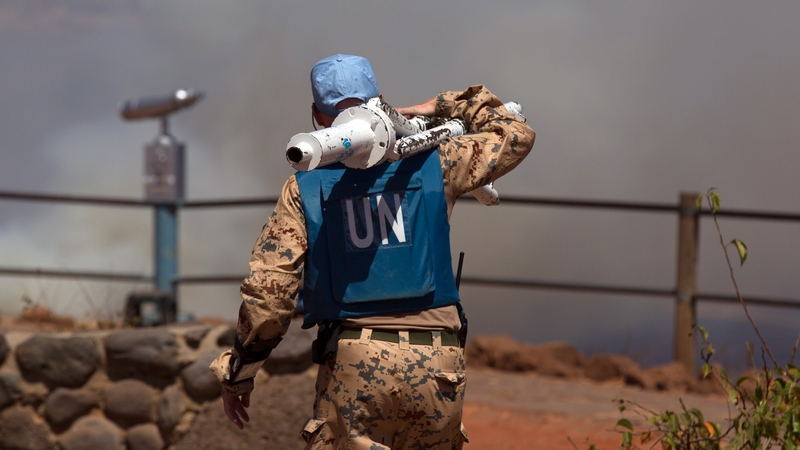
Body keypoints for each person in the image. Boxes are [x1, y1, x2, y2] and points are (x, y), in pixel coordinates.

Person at [210, 54, 535, 449]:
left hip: (354, 364)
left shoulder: (303, 189)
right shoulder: (438, 161)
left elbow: (269, 299)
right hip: (439, 364)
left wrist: (239, 373)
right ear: (380, 100)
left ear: (317, 115)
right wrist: (437, 106)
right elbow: (515, 133)